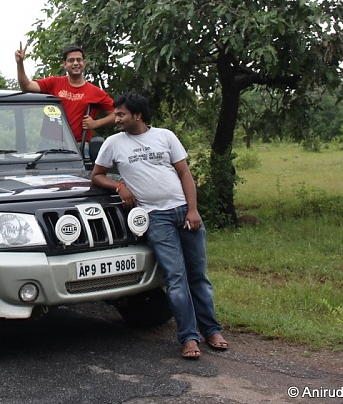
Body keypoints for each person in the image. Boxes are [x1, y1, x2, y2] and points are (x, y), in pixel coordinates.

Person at [90, 92, 228, 359]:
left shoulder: (165, 136)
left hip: (184, 213)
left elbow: (184, 173)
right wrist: (120, 186)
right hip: (155, 218)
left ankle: (211, 330)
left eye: (121, 114)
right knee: (175, 279)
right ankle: (188, 337)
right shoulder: (113, 143)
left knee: (198, 276)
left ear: (138, 116)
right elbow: (97, 175)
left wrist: (192, 210)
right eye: (116, 114)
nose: (116, 119)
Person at [15, 43, 115, 144]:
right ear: (64, 64)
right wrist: (20, 63)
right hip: (49, 145)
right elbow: (26, 86)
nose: (75, 63)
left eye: (79, 60)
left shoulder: (95, 92)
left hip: (79, 146)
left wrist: (96, 123)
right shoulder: (54, 83)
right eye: (71, 60)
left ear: (84, 63)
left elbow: (116, 114)